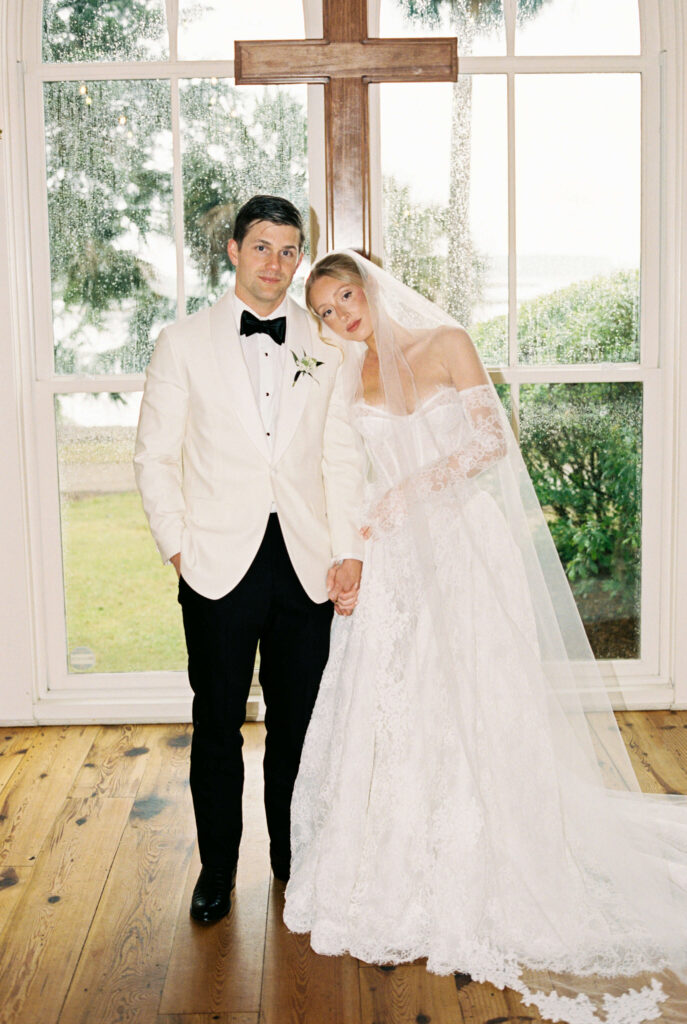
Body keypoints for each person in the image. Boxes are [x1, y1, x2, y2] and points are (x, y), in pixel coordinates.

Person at [283, 251, 687, 1024]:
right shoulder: (348, 375)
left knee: (477, 688)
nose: (342, 317)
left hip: (463, 540)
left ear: (369, 285)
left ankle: (497, 851)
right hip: (395, 555)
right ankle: (399, 861)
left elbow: (488, 442)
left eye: (345, 298)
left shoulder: (446, 343)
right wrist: (359, 544)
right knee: (398, 700)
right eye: (328, 313)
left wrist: (413, 487)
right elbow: (341, 468)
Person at [134, 198, 364, 924]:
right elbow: (154, 455)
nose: (275, 263)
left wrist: (348, 547)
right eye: (261, 247)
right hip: (214, 562)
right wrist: (177, 543)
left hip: (305, 559)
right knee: (216, 724)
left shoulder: (326, 342)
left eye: (289, 250)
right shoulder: (182, 341)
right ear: (233, 250)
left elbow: (340, 452)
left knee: (299, 723)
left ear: (301, 257)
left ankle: (294, 861)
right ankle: (217, 868)